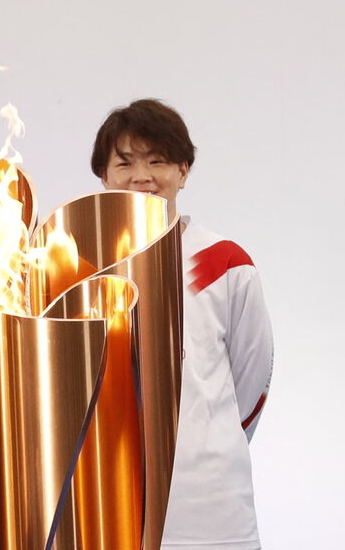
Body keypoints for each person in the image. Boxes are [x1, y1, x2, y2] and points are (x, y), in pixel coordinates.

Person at [91, 98, 274, 550]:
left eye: (158, 161)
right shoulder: (78, 266)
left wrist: (210, 434)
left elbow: (250, 382)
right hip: (102, 497)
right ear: (104, 176)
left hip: (209, 506)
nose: (143, 176)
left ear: (184, 171)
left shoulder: (224, 262)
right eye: (126, 163)